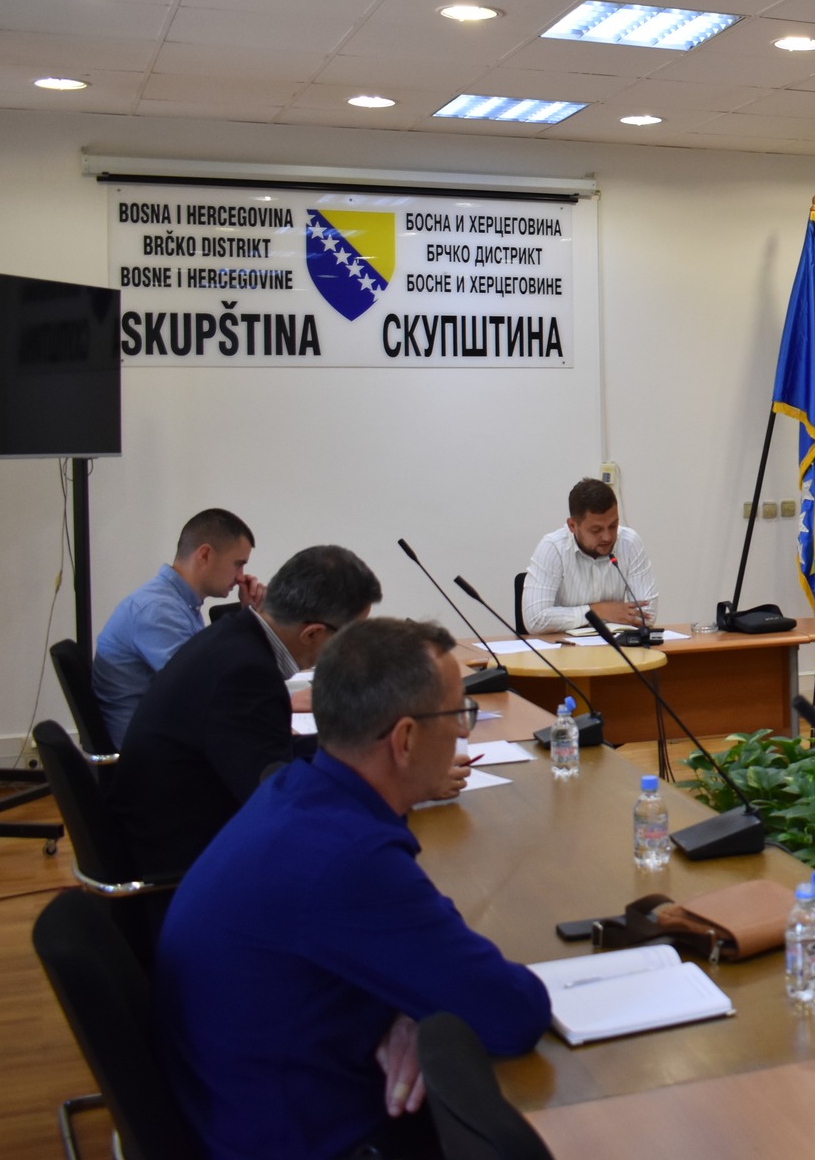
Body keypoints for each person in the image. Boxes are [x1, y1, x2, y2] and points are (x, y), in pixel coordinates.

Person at [154, 617, 551, 1160]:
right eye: (458, 713)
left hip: (233, 1104)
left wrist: (414, 1007)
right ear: (405, 739)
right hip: (305, 1139)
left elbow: (407, 955)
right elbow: (514, 1012)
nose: (464, 732)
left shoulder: (295, 790)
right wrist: (431, 1004)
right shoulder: (348, 859)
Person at [109, 545, 415, 877]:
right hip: (184, 864)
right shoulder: (244, 672)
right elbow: (276, 802)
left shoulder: (234, 638)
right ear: (312, 633)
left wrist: (374, 750)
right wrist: (396, 784)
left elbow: (271, 750)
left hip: (180, 828)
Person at [91, 508, 263, 748]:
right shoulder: (158, 610)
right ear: (205, 554)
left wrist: (249, 615)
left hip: (162, 736)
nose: (240, 577)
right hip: (150, 753)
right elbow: (208, 690)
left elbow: (215, 673)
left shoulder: (178, 603)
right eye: (238, 564)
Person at [521, 477, 658, 633]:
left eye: (613, 526)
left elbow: (647, 615)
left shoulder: (629, 542)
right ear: (572, 526)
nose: (607, 537)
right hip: (562, 646)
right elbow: (535, 620)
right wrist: (597, 611)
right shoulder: (553, 548)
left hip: (614, 645)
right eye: (596, 530)